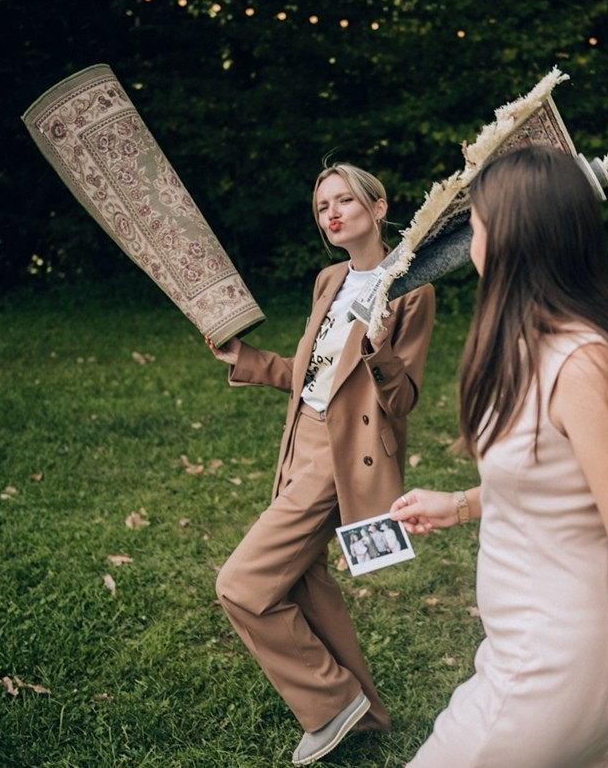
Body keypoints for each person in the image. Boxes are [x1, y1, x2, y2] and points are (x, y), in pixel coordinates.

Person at [389, 145, 608, 768]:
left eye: (475, 225)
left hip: (548, 672)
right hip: (526, 654)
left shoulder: (586, 364)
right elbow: (554, 485)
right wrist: (459, 505)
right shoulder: (528, 340)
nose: (468, 241)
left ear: (515, 236)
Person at [208, 162, 436, 765]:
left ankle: (332, 701)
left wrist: (380, 349)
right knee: (307, 588)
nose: (332, 214)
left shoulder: (413, 287)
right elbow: (309, 376)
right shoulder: (329, 279)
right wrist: (246, 358)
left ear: (379, 207)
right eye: (322, 207)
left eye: (345, 201)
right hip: (297, 443)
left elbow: (402, 399)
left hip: (342, 457)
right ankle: (368, 716)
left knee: (241, 585)